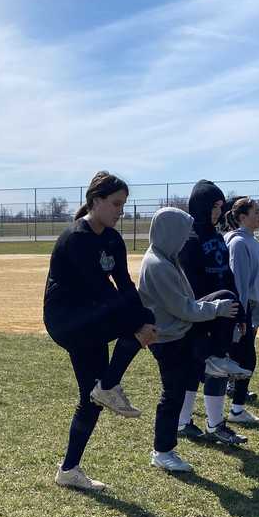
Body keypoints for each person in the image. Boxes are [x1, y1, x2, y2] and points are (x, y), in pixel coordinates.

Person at [43, 171, 158, 491]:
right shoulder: (76, 238)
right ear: (96, 201)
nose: (121, 211)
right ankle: (109, 385)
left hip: (92, 318)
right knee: (134, 324)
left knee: (90, 398)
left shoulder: (112, 239)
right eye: (116, 204)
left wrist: (143, 318)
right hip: (67, 320)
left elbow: (124, 285)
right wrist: (138, 323)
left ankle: (69, 470)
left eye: (124, 205)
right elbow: (101, 289)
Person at [139, 207, 244, 471]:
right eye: (182, 234)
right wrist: (216, 310)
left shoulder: (167, 257)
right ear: (169, 232)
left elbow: (186, 304)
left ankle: (215, 358)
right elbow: (184, 309)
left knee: (226, 296)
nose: (185, 240)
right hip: (168, 338)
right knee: (172, 394)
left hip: (179, 331)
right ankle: (162, 452)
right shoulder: (158, 265)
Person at [177, 180, 251, 445]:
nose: (219, 212)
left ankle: (215, 424)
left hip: (222, 312)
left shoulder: (217, 237)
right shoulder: (188, 239)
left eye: (221, 207)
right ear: (201, 206)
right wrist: (211, 308)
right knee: (194, 365)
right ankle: (183, 422)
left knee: (217, 366)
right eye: (215, 207)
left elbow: (227, 276)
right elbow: (190, 284)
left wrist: (239, 313)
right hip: (199, 313)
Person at [225, 197, 259, 423]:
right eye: (256, 212)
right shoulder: (238, 243)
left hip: (248, 308)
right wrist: (239, 316)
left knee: (241, 359)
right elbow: (238, 282)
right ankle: (236, 411)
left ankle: (235, 409)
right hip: (240, 309)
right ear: (242, 217)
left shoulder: (253, 241)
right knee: (245, 359)